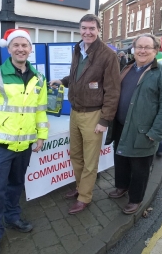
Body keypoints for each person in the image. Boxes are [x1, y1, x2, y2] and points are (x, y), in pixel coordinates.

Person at [0, 29, 48, 254]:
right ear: (8, 48)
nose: (20, 49)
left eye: (24, 45)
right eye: (16, 45)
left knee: (16, 185)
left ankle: (12, 217)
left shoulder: (39, 78)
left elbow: (40, 111)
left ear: (30, 49)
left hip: (24, 145)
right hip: (0, 146)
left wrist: (41, 135)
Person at [49, 14, 120, 215]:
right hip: (75, 111)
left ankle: (85, 197)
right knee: (76, 155)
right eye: (84, 28)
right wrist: (62, 82)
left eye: (91, 28)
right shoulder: (78, 48)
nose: (87, 32)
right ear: (79, 29)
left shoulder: (108, 55)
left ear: (99, 30)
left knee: (90, 161)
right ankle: (81, 187)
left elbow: (113, 91)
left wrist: (105, 120)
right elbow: (76, 75)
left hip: (93, 115)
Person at [106, 34, 162, 214]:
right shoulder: (128, 68)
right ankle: (122, 186)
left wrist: (156, 133)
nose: (142, 51)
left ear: (155, 51)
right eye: (139, 47)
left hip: (144, 130)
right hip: (122, 125)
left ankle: (136, 199)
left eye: (147, 47)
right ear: (133, 49)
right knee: (120, 158)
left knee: (140, 167)